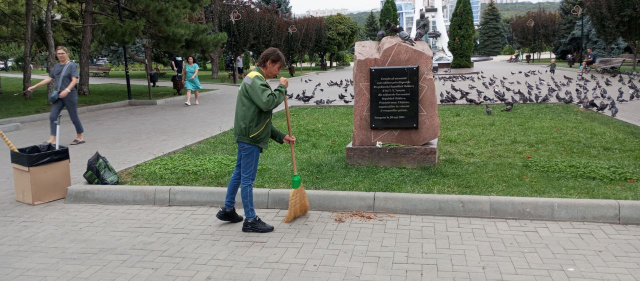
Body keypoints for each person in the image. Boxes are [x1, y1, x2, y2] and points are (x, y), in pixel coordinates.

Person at [216, 47, 295, 233]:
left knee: (239, 172)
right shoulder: (255, 80)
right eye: (277, 68)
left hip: (247, 134)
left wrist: (280, 136)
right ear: (268, 63)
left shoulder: (253, 78)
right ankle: (250, 220)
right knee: (247, 179)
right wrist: (282, 87)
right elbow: (268, 103)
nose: (278, 72)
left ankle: (228, 209)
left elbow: (260, 117)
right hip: (250, 137)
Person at [27, 46, 85, 145]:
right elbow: (49, 79)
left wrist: (67, 90)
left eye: (62, 53)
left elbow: (75, 80)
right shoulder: (56, 66)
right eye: (58, 54)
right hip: (58, 95)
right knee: (53, 116)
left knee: (73, 116)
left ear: (67, 54)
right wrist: (35, 86)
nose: (60, 55)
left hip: (70, 95)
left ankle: (80, 137)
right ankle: (52, 138)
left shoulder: (72, 66)